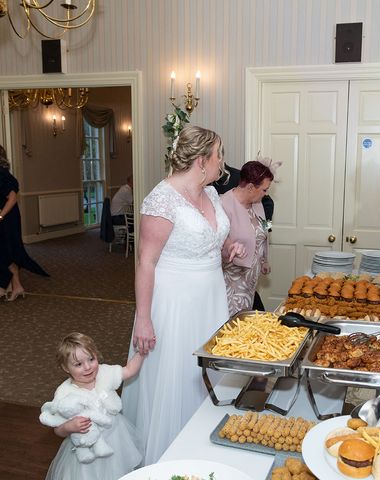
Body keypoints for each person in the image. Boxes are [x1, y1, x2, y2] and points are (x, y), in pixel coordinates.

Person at [121, 125, 246, 465]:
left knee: (207, 370)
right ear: (203, 161)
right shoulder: (162, 198)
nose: (223, 162)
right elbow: (146, 262)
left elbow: (208, 243)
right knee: (176, 376)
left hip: (210, 299)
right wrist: (143, 320)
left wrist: (226, 250)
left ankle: (206, 447)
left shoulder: (212, 195)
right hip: (174, 302)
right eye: (220, 154)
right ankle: (170, 457)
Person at [41, 332, 144, 480]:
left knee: (119, 471)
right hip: (88, 448)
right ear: (65, 368)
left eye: (91, 359)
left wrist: (141, 352)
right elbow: (58, 429)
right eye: (78, 364)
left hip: (116, 437)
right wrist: (70, 427)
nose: (88, 367)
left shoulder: (104, 373)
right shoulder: (64, 393)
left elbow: (128, 370)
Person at [213, 159, 275, 310]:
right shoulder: (223, 205)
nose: (266, 194)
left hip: (251, 280)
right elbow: (218, 244)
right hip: (232, 280)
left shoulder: (259, 203)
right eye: (265, 190)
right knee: (232, 324)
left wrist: (264, 260)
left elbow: (265, 228)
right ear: (250, 187)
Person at [0, 145, 49, 301]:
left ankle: (9, 286)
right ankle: (12, 286)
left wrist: (0, 216)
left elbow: (12, 198)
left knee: (7, 251)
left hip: (7, 219)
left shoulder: (2, 174)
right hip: (6, 217)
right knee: (6, 252)